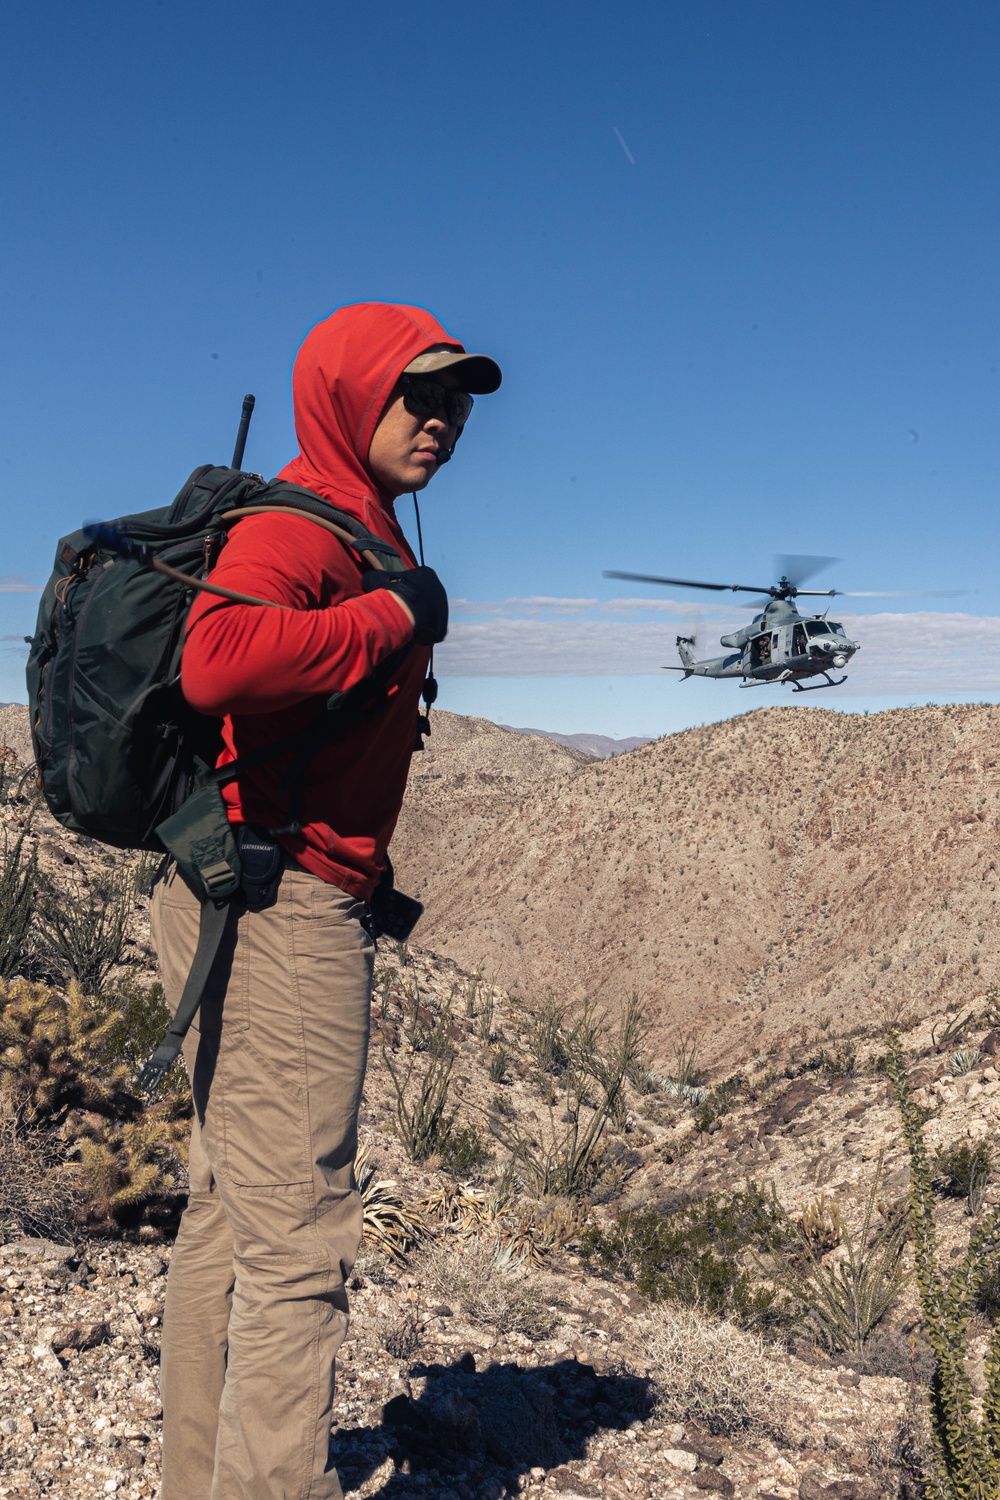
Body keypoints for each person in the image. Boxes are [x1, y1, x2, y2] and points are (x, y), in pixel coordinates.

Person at [149, 301, 502, 1500]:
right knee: (299, 1243)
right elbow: (217, 660)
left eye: (454, 402)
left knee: (227, 1213)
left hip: (235, 885)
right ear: (352, 398)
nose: (442, 422)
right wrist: (390, 615)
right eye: (419, 397)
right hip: (282, 906)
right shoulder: (306, 531)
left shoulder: (350, 523)